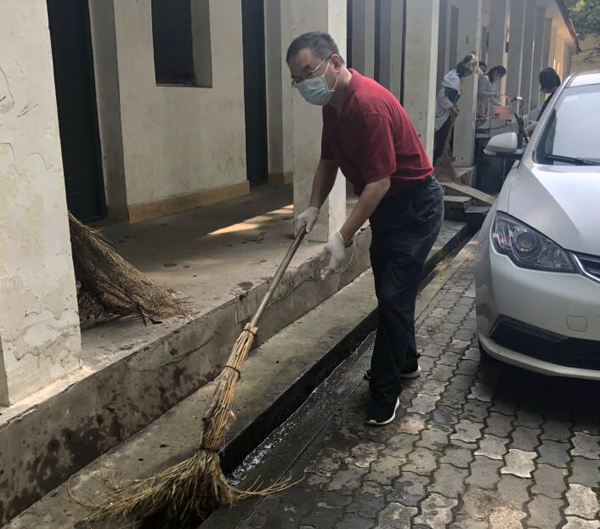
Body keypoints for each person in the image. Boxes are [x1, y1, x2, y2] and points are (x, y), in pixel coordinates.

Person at [288, 32, 444, 426]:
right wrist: (312, 207)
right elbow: (328, 162)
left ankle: (385, 393)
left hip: (416, 208)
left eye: (308, 72)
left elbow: (379, 183)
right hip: (388, 211)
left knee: (392, 298)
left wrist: (342, 236)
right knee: (392, 295)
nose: (303, 84)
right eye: (296, 79)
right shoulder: (333, 106)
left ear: (335, 62)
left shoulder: (369, 106)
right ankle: (406, 361)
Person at [433, 54, 477, 163]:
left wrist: (454, 107)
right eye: (469, 73)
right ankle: (435, 163)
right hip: (442, 112)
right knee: (441, 140)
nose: (469, 75)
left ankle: (440, 162)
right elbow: (442, 97)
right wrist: (452, 107)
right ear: (466, 70)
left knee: (444, 139)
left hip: (447, 113)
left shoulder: (458, 79)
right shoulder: (454, 80)